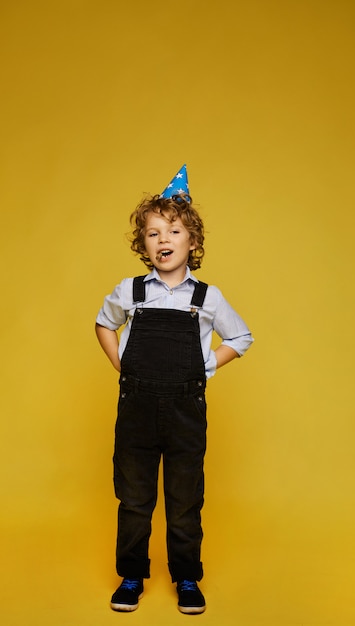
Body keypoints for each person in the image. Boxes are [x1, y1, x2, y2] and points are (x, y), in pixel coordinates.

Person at [95, 165, 253, 614]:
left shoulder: (206, 298)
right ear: (143, 245)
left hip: (186, 411)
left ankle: (186, 576)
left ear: (192, 242)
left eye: (174, 230)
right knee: (134, 496)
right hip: (137, 408)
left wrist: (207, 365)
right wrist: (121, 364)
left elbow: (240, 338)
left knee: (185, 497)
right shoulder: (130, 292)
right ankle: (131, 575)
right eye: (152, 233)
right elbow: (104, 324)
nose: (163, 239)